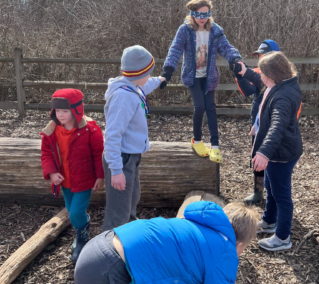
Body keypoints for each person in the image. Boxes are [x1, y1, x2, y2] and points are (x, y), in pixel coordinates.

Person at [74, 201, 258, 284]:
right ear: (239, 245)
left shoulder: (197, 224)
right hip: (110, 270)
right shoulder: (226, 252)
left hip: (99, 245)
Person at [160, 0, 242, 164]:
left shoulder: (215, 31)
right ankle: (197, 140)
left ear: (209, 14)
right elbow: (175, 49)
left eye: (206, 15)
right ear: (192, 14)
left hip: (209, 75)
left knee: (211, 107)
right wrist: (168, 71)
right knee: (200, 106)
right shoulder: (185, 30)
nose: (202, 19)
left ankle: (215, 145)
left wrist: (234, 59)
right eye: (199, 15)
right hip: (193, 76)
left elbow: (226, 47)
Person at [102, 45, 166, 232]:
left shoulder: (132, 86)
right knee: (118, 212)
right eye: (149, 72)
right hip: (121, 159)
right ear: (140, 73)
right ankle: (109, 248)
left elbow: (146, 84)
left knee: (131, 199)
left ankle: (129, 237)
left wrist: (160, 79)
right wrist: (116, 170)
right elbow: (112, 136)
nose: (150, 76)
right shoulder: (124, 96)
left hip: (131, 156)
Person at [245, 51, 303, 251]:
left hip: (281, 153)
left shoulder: (283, 97)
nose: (260, 77)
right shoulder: (280, 86)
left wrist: (264, 152)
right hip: (281, 150)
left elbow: (277, 126)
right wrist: (258, 125)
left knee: (282, 195)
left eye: (262, 73)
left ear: (272, 74)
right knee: (271, 186)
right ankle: (269, 220)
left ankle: (282, 237)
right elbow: (266, 113)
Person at [40, 88, 104, 262]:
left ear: (76, 110)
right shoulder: (51, 131)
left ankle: (82, 237)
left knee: (75, 212)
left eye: (65, 111)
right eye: (57, 111)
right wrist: (52, 172)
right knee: (70, 210)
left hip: (84, 179)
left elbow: (98, 153)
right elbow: (46, 154)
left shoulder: (90, 129)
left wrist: (100, 176)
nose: (60, 115)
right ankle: (82, 223)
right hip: (64, 179)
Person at [233, 39, 280, 205]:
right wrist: (239, 75)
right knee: (256, 156)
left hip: (274, 123)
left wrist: (246, 73)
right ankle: (258, 191)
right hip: (258, 123)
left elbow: (264, 84)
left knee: (274, 158)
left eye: (264, 55)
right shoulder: (256, 71)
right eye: (259, 55)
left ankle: (274, 195)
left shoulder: (280, 76)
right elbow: (247, 90)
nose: (261, 58)